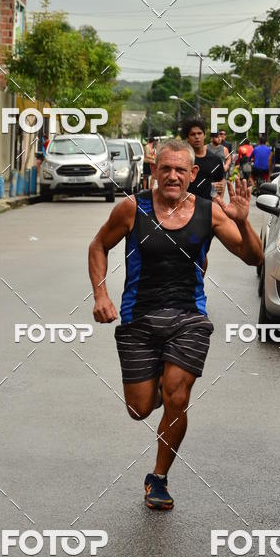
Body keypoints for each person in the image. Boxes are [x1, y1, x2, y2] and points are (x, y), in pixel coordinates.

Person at [88, 139, 264, 510]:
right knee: (139, 408)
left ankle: (160, 478)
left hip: (189, 319)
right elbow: (98, 246)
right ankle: (156, 393)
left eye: (180, 170)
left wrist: (244, 223)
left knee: (177, 395)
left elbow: (253, 257)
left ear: (192, 174)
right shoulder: (132, 209)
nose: (172, 175)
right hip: (139, 317)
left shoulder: (210, 213)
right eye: (165, 168)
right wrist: (100, 295)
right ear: (154, 171)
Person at [181, 115, 224, 200]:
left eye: (199, 133)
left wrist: (218, 190)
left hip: (208, 207)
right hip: (186, 205)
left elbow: (219, 184)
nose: (197, 137)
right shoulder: (183, 159)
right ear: (187, 138)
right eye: (193, 134)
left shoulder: (216, 160)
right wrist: (209, 186)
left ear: (204, 135)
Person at [207, 130, 229, 197]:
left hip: (221, 175)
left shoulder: (224, 149)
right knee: (211, 195)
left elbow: (228, 158)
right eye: (217, 137)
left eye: (220, 137)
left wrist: (226, 165)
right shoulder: (206, 148)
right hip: (210, 176)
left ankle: (219, 207)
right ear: (212, 138)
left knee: (219, 196)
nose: (220, 138)